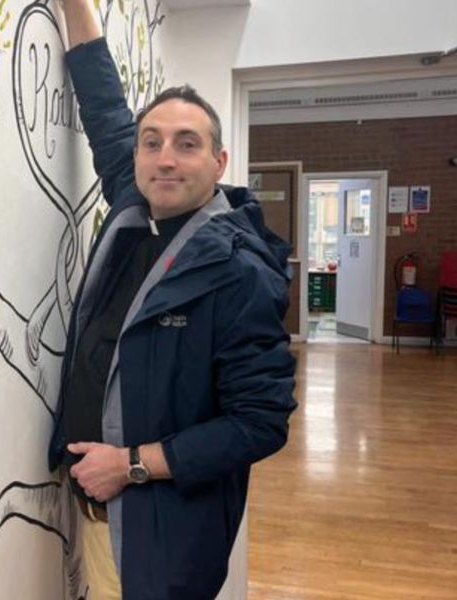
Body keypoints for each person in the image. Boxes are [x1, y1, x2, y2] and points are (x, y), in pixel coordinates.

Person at [48, 2, 298, 599]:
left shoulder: (239, 272)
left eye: (186, 144)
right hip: (94, 508)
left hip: (159, 529)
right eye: (151, 142)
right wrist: (75, 8)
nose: (165, 157)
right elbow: (106, 107)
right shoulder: (135, 207)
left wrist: (130, 464)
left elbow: (259, 423)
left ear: (219, 162)